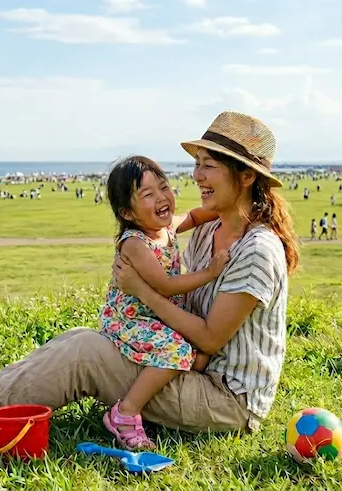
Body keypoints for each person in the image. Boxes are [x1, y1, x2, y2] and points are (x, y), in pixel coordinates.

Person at [0, 111, 300, 439]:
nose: (197, 176)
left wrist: (142, 291)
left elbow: (211, 337)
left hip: (226, 400)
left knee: (86, 353)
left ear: (246, 176)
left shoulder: (256, 251)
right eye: (197, 164)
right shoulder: (211, 229)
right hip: (188, 366)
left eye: (208, 166)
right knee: (81, 338)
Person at [99, 155, 226, 449]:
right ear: (127, 213)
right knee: (177, 350)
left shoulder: (166, 229)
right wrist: (209, 273)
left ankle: (161, 396)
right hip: (130, 320)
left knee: (201, 356)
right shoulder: (135, 243)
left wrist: (225, 209)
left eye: (164, 187)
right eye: (147, 194)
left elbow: (193, 217)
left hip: (155, 315)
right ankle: (125, 413)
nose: (161, 197)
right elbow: (165, 286)